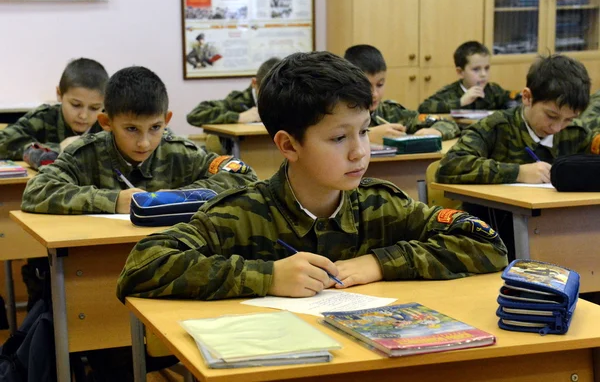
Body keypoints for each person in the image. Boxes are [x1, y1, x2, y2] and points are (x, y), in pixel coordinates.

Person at [116, 51, 508, 303]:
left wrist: (381, 263)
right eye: (339, 138)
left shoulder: (381, 205)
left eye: (364, 131)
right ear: (288, 146)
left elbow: (487, 243)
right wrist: (266, 276)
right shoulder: (241, 214)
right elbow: (142, 266)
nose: (359, 151)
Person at [21, 66, 258, 214]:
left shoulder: (178, 152)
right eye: (131, 129)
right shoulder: (85, 154)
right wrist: (112, 201)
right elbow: (35, 192)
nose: (144, 142)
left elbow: (244, 176)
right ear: (106, 123)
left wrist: (178, 197)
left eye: (155, 127)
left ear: (167, 120)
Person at [436, 54, 598, 261]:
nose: (557, 128)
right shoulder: (496, 127)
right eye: (551, 116)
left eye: (568, 120)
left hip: (561, 235)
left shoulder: (576, 134)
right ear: (527, 97)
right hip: (493, 240)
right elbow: (449, 166)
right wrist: (518, 172)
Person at [344, 44, 460, 143]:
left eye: (380, 85)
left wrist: (435, 132)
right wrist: (368, 136)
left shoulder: (390, 112)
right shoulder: (340, 114)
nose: (374, 94)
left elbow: (448, 124)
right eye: (366, 86)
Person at [0, 58, 108, 160]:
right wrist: (58, 149)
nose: (83, 115)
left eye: (94, 108)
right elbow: (3, 142)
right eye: (76, 105)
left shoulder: (109, 124)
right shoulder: (43, 118)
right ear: (59, 94)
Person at [418, 41, 520, 114]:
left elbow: (515, 97)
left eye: (487, 68)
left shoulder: (493, 90)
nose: (483, 74)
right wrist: (460, 102)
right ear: (460, 72)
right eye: (476, 69)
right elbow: (423, 108)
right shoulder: (450, 93)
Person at [186, 57, 281, 126]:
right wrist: (238, 117)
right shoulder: (238, 101)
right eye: (265, 93)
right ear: (254, 83)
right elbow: (195, 115)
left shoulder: (289, 96)